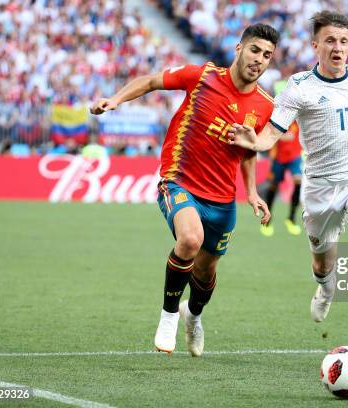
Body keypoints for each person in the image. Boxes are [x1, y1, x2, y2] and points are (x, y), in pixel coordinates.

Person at [228, 11, 348, 349]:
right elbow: (274, 130)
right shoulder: (299, 88)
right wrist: (254, 142)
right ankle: (327, 289)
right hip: (320, 186)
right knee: (322, 261)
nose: (338, 48)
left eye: (343, 41)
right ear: (315, 45)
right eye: (330, 40)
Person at [90, 23, 279, 357]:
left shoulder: (264, 105)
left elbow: (249, 151)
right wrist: (115, 100)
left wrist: (251, 192)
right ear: (239, 49)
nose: (259, 60)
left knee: (206, 274)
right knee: (189, 239)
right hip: (179, 181)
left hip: (222, 200)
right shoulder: (201, 76)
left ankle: (193, 316)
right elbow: (150, 81)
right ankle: (169, 316)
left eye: (267, 55)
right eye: (254, 50)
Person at [260, 121, 303, 236]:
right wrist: (281, 136)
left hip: (295, 156)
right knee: (274, 186)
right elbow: (269, 132)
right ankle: (268, 218)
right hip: (279, 158)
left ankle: (291, 218)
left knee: (298, 180)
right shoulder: (279, 118)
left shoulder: (298, 117)